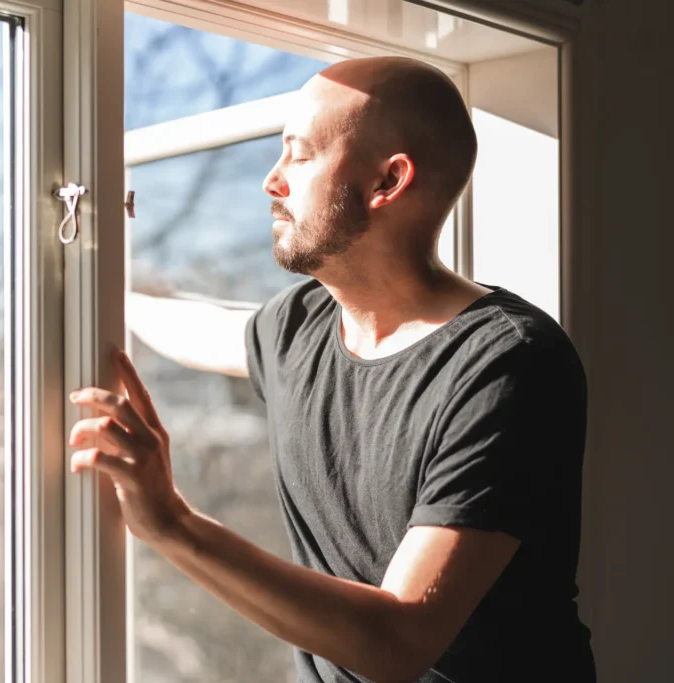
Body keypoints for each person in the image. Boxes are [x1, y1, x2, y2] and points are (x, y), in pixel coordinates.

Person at [68, 56, 595, 682]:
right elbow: (193, 327)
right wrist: (97, 261)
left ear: (387, 182)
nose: (271, 180)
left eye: (299, 154)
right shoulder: (301, 326)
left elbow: (398, 642)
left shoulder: (508, 364)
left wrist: (172, 523)